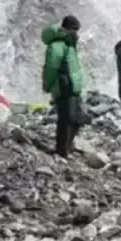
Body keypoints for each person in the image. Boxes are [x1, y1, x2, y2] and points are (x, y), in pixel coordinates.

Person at [41, 15, 84, 158]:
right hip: (63, 87)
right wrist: (47, 85)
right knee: (66, 121)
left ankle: (67, 146)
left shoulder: (69, 45)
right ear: (67, 28)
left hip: (72, 88)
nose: (76, 33)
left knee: (77, 118)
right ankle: (61, 151)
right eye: (74, 30)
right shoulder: (57, 45)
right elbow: (51, 68)